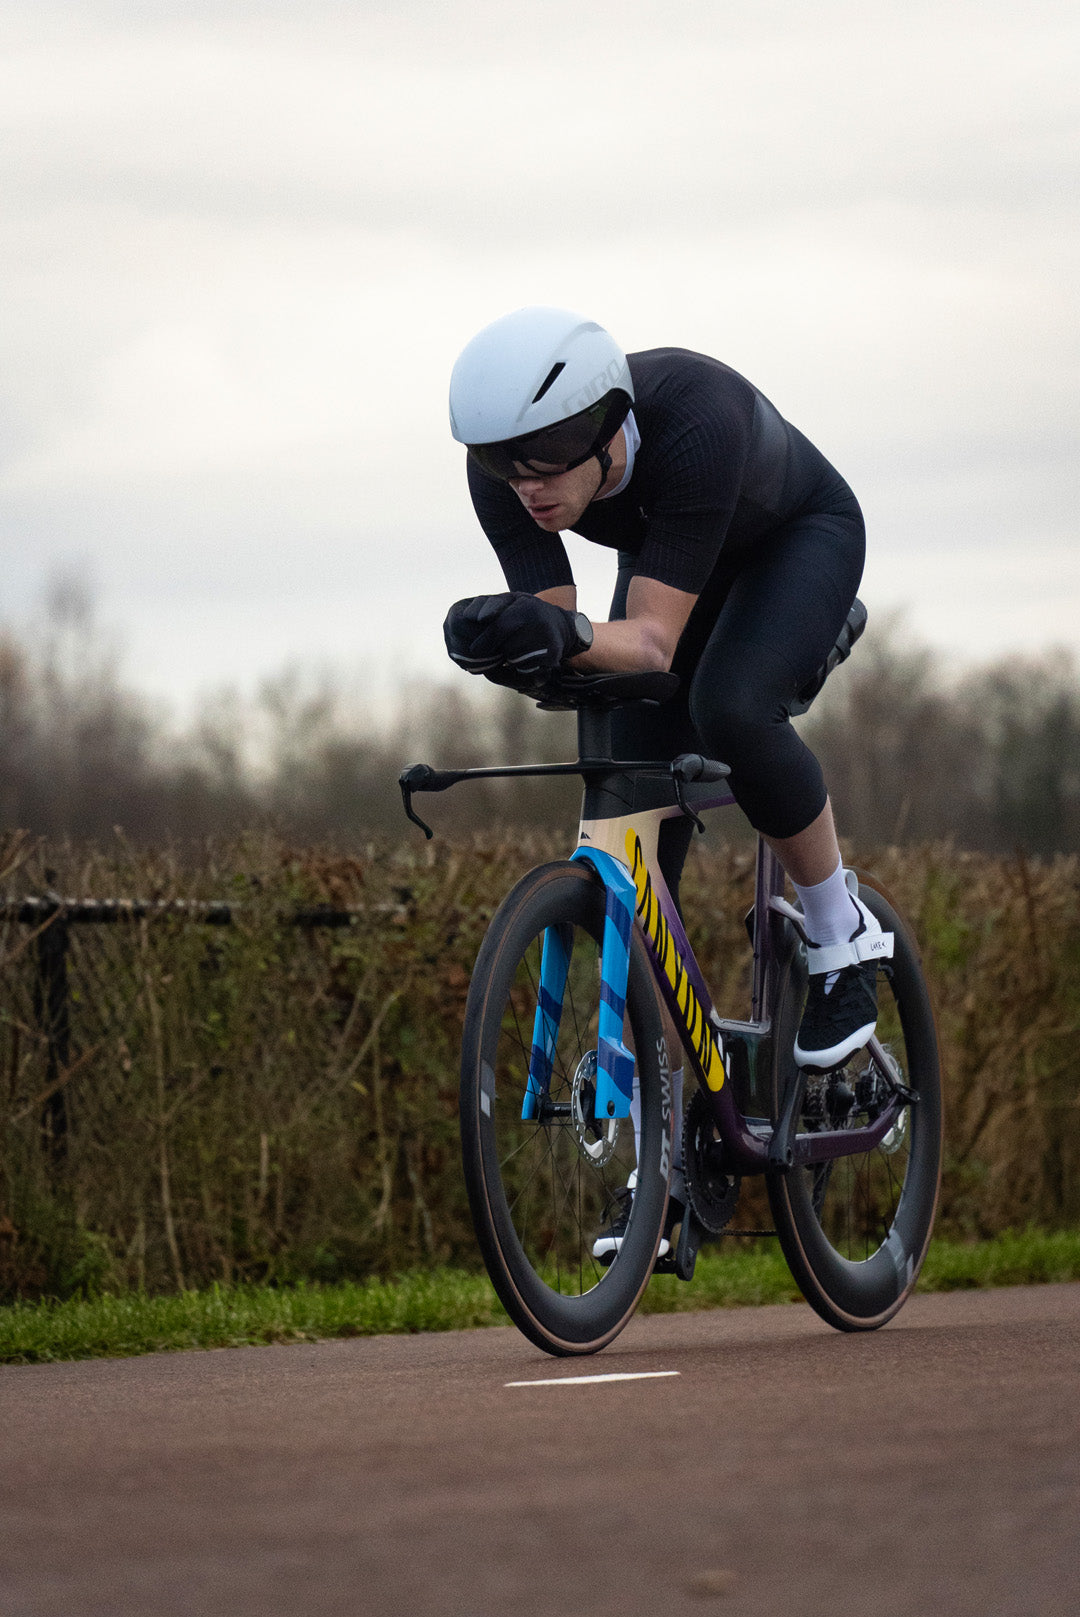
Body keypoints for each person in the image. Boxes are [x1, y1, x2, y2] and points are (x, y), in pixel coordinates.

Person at [442, 305, 891, 1254]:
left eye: (547, 459)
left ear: (605, 428)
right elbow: (565, 632)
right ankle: (668, 1161)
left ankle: (840, 932)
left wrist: (564, 634)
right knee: (637, 814)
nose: (527, 486)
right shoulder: (507, 476)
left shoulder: (693, 419)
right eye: (505, 465)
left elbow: (645, 640)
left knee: (731, 707)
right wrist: (515, 642)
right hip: (674, 564)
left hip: (793, 544)